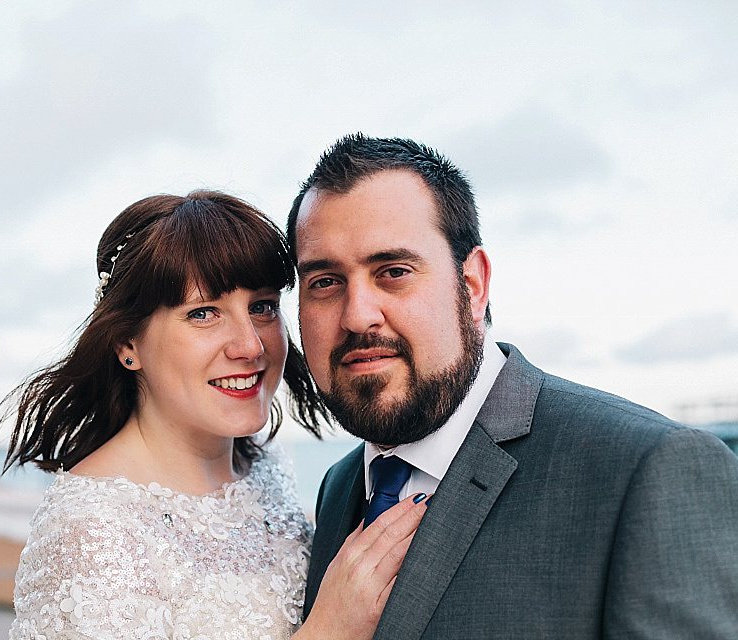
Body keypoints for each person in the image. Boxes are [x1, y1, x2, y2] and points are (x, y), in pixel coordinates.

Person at [288, 134, 738, 639]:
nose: (357, 316)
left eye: (393, 272)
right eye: (325, 282)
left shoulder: (646, 470)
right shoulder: (338, 488)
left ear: (474, 283)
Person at [1, 190, 428, 640]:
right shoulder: (90, 533)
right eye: (204, 313)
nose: (250, 346)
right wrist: (330, 630)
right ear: (128, 344)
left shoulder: (264, 468)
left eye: (262, 307)